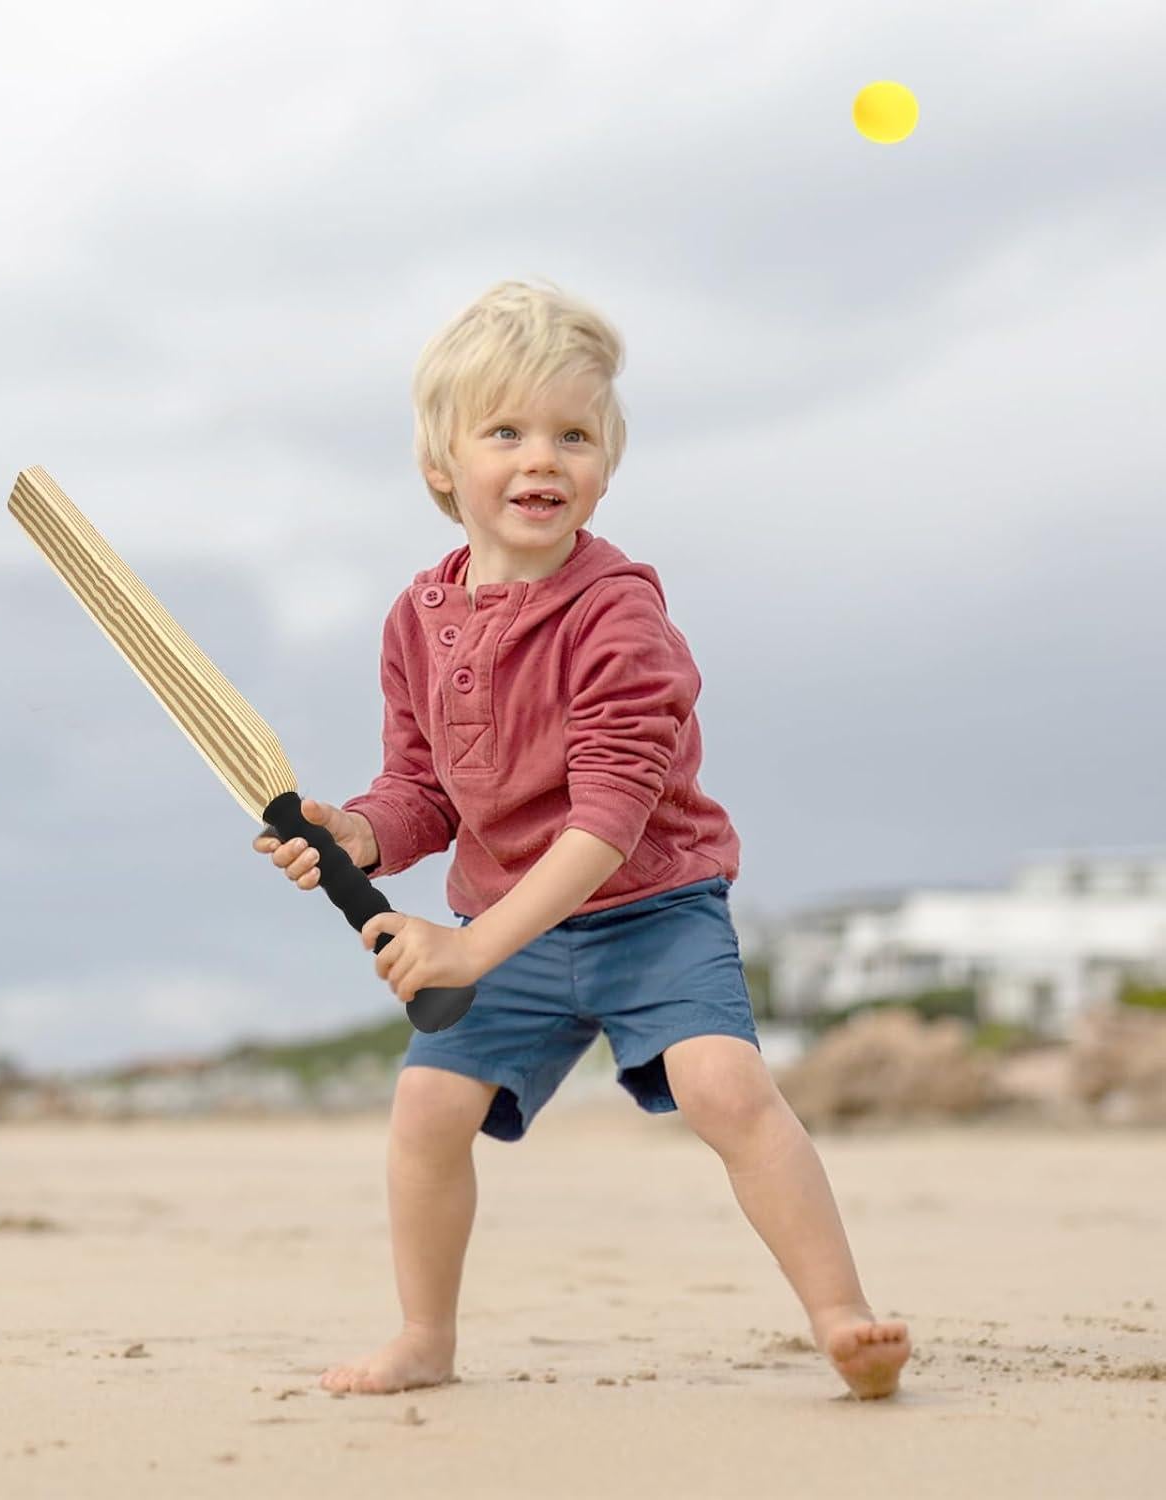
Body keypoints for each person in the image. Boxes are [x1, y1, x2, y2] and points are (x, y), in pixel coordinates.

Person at [252, 278, 911, 1401]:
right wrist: (354, 830)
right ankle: (426, 1338)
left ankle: (842, 1316)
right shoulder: (416, 619)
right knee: (426, 1110)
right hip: (509, 928)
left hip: (650, 911)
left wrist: (466, 950)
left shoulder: (618, 617)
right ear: (442, 467)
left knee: (727, 1091)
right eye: (505, 431)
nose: (542, 458)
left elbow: (609, 820)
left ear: (606, 460)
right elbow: (425, 787)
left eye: (574, 434)